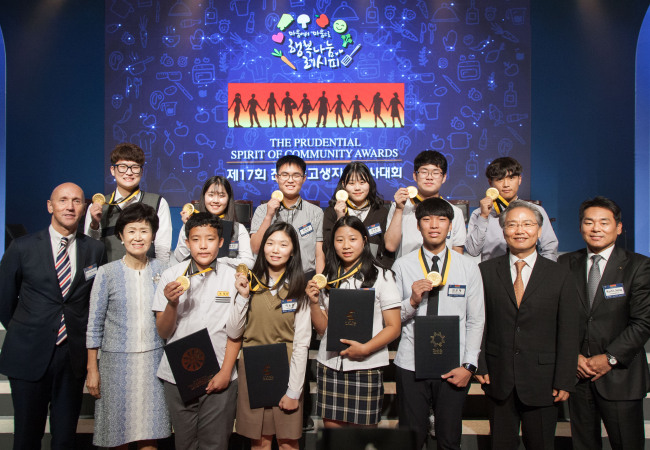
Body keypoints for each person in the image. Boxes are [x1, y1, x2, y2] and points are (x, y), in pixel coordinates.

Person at [0, 182, 106, 449]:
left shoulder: (95, 250)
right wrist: (28, 329)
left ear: (84, 208)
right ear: (50, 205)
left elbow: (93, 301)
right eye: (63, 200)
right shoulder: (22, 247)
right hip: (28, 353)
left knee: (64, 438)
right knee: (26, 435)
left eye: (77, 201)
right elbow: (3, 300)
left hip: (71, 357)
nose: (70, 206)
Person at [476, 200, 579, 450]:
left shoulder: (560, 274)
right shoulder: (485, 271)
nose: (520, 230)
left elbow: (568, 330)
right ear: (503, 231)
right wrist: (480, 362)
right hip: (498, 377)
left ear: (539, 230)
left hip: (543, 381)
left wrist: (565, 378)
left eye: (527, 224)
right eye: (512, 224)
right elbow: (479, 321)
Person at [392, 198, 484, 450]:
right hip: (411, 362)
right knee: (411, 438)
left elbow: (476, 319)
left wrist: (469, 365)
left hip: (453, 365)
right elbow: (391, 319)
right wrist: (411, 301)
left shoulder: (468, 267)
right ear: (418, 226)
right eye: (427, 219)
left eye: (441, 219)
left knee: (449, 439)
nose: (434, 225)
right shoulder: (403, 265)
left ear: (450, 227)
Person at [558, 197, 650, 450]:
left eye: (603, 222)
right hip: (578, 374)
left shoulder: (639, 266)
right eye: (589, 222)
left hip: (620, 376)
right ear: (580, 227)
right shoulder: (564, 264)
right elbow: (557, 317)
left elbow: (643, 322)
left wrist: (608, 358)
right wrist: (572, 356)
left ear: (618, 227)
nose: (595, 228)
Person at [86, 203, 171, 449]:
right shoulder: (106, 273)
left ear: (153, 235)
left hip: (153, 362)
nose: (138, 237)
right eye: (131, 231)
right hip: (115, 365)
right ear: (121, 236)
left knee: (150, 434)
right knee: (117, 436)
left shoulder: (163, 270)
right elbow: (94, 325)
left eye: (144, 231)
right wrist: (93, 368)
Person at [153, 213, 240, 449]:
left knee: (215, 443)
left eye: (210, 239)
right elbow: (163, 331)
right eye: (196, 239)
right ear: (187, 242)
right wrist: (171, 303)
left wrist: (225, 372)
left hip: (219, 373)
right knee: (184, 443)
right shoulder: (171, 276)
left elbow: (236, 331)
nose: (203, 245)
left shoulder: (233, 278)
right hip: (178, 375)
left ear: (221, 242)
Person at [307, 216, 401, 427]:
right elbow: (323, 329)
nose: (346, 245)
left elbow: (394, 327)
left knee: (361, 440)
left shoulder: (382, 276)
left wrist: (365, 349)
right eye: (340, 240)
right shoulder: (327, 277)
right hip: (330, 365)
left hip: (366, 366)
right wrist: (314, 303)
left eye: (352, 239)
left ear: (365, 241)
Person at [227, 222, 311, 450]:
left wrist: (294, 390)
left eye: (283, 244)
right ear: (262, 247)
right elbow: (234, 332)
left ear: (293, 250)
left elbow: (301, 343)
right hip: (253, 372)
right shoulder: (249, 283)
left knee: (288, 442)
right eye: (270, 243)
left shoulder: (299, 288)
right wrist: (243, 296)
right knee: (260, 442)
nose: (275, 249)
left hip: (287, 372)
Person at [85, 142, 172, 263]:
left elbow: (162, 248)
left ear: (141, 171)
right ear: (112, 170)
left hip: (147, 276)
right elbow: (90, 248)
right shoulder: (98, 205)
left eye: (135, 167)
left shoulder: (158, 203)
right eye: (122, 166)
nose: (129, 172)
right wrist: (94, 224)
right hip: (109, 276)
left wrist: (162, 276)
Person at [465, 157, 558, 261]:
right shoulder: (479, 214)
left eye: (511, 178)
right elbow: (473, 251)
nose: (506, 185)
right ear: (490, 183)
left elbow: (549, 247)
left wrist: (546, 273)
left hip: (529, 273)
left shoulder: (535, 211)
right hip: (491, 274)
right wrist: (483, 217)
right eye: (500, 179)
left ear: (520, 179)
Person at [250, 154, 324, 275]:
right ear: (277, 177)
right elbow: (255, 248)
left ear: (304, 178)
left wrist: (319, 284)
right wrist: (269, 216)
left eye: (296, 175)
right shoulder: (262, 210)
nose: (290, 180)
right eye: (284, 175)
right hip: (270, 280)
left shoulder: (316, 212)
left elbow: (319, 255)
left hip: (305, 280)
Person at [385, 150, 466, 259]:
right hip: (408, 272)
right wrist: (399, 209)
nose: (429, 177)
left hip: (444, 274)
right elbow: (390, 246)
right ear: (415, 175)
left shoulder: (455, 212)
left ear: (444, 177)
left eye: (436, 172)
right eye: (424, 172)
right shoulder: (400, 206)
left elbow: (458, 253)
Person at [173, 175, 254, 269]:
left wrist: (220, 261)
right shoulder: (192, 224)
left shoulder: (238, 228)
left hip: (228, 280)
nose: (215, 200)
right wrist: (187, 227)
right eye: (211, 195)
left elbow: (249, 263)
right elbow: (180, 258)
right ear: (204, 197)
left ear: (228, 199)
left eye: (221, 196)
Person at [323, 162, 393, 268]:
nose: (357, 188)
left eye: (362, 182)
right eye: (351, 183)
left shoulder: (381, 212)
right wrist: (340, 218)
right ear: (343, 185)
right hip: (342, 272)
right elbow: (327, 248)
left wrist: (382, 274)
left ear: (369, 184)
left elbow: (388, 251)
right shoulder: (332, 211)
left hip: (374, 273)